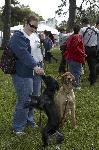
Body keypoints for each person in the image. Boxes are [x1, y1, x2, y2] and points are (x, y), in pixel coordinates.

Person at [9, 15, 44, 135]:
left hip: (37, 70)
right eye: (32, 26)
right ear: (26, 23)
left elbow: (40, 51)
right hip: (23, 72)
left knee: (34, 97)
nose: (34, 29)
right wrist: (35, 66)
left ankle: (29, 120)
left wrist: (44, 41)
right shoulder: (18, 36)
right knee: (25, 99)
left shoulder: (35, 35)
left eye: (36, 27)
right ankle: (18, 127)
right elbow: (23, 54)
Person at [64, 24, 86, 90]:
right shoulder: (78, 37)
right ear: (79, 30)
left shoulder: (71, 36)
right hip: (76, 57)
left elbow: (68, 46)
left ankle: (71, 85)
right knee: (77, 72)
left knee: (72, 72)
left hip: (70, 57)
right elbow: (76, 48)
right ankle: (77, 86)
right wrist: (83, 53)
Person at [80, 17, 98, 85]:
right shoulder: (96, 30)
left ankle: (78, 80)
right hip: (93, 49)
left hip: (85, 49)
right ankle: (93, 81)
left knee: (80, 65)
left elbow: (80, 39)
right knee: (92, 66)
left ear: (83, 23)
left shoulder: (82, 29)